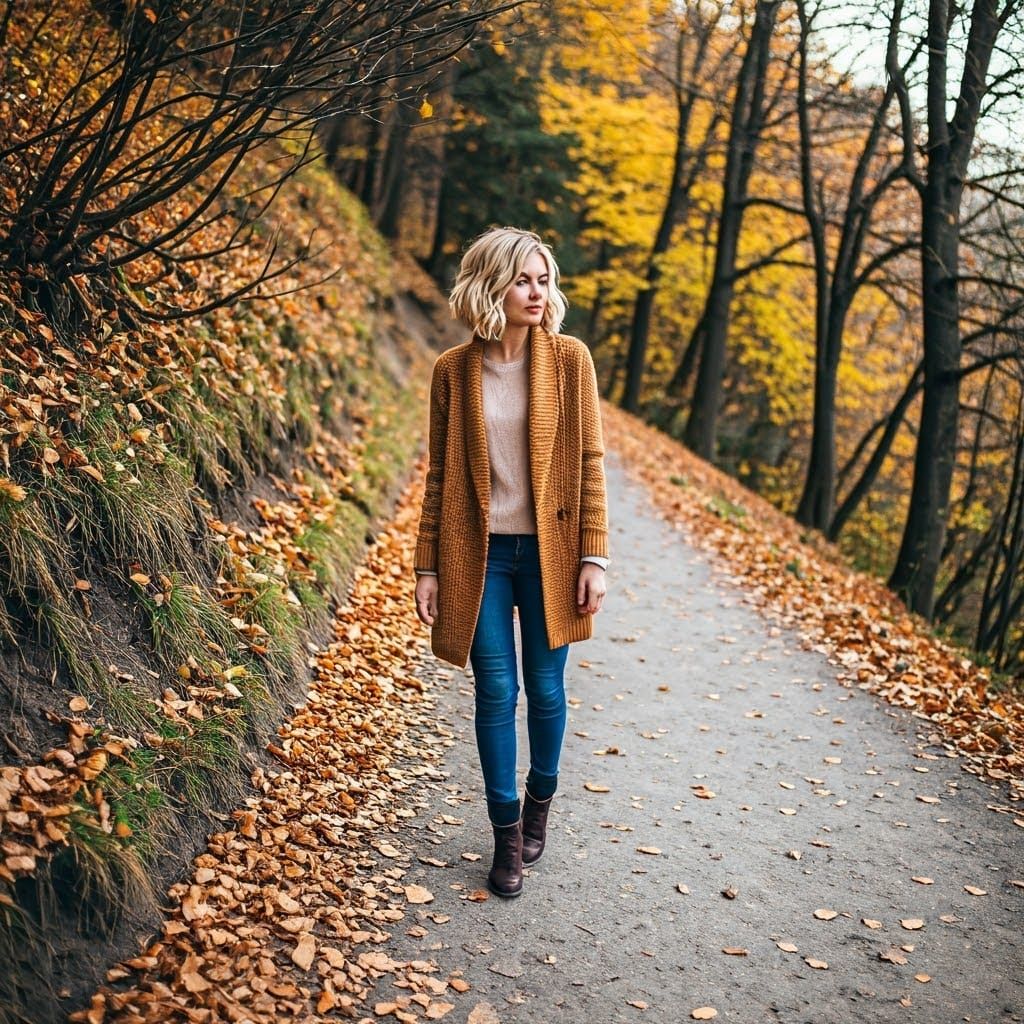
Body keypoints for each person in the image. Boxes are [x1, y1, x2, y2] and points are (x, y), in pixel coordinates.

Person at [413, 225, 610, 898]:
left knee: (546, 689)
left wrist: (596, 556)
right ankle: (504, 835)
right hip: (483, 556)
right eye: (522, 279)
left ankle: (539, 806)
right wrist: (427, 565)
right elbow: (440, 476)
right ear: (490, 285)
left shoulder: (569, 361)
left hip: (551, 555)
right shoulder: (452, 372)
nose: (536, 291)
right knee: (495, 690)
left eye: (544, 279)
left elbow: (589, 464)